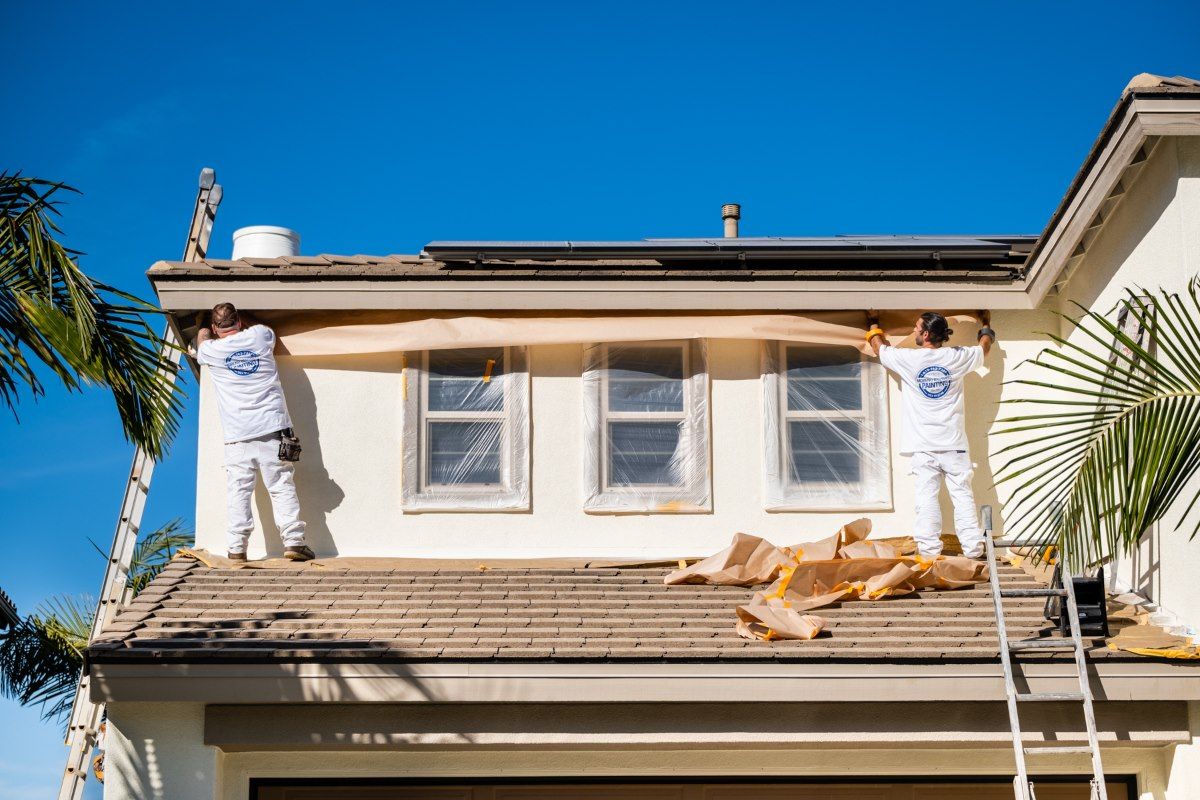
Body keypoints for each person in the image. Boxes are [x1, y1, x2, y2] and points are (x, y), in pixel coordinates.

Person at [866, 312, 996, 559]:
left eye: (916, 329)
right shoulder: (957, 356)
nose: (914, 332)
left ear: (925, 334)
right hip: (954, 445)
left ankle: (928, 552)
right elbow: (984, 349)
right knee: (963, 497)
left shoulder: (909, 360)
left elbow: (879, 349)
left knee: (926, 499)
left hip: (924, 446)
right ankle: (973, 549)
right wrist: (986, 325)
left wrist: (873, 323)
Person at [196, 303, 314, 562]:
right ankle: (294, 542)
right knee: (281, 485)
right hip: (272, 429)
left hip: (237, 435)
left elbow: (201, 342)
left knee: (239, 490)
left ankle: (237, 548)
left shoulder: (212, 351)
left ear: (217, 328)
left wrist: (205, 327)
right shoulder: (260, 335)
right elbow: (262, 329)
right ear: (238, 321)